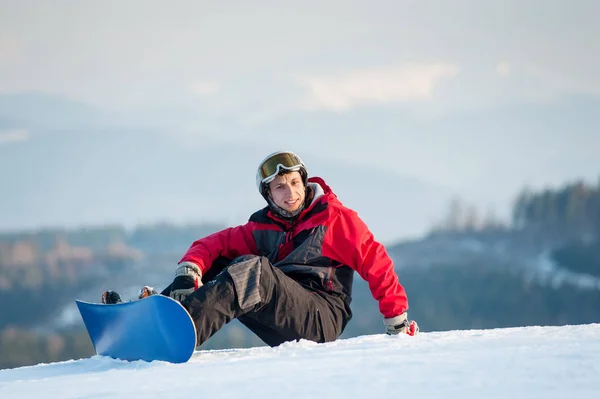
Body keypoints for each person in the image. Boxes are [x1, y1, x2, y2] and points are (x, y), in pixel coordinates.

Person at [103, 150, 418, 348]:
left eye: (295, 183)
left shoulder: (334, 219)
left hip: (320, 318)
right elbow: (211, 244)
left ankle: (173, 334)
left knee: (254, 270)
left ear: (305, 182)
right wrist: (189, 274)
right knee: (227, 260)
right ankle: (150, 317)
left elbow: (376, 262)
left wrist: (396, 322)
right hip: (281, 316)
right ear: (268, 194)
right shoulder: (263, 226)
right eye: (280, 187)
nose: (290, 193)